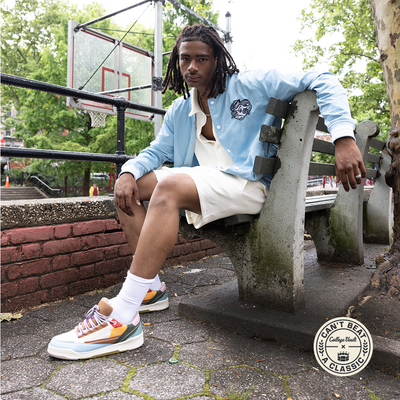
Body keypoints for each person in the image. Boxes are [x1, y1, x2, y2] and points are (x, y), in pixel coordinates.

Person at [48, 24, 366, 360]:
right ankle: (150, 289)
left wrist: (343, 138)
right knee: (130, 189)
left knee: (168, 187)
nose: (191, 67)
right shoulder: (180, 109)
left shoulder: (250, 84)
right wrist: (128, 171)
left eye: (202, 58)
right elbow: (157, 151)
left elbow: (323, 78)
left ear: (217, 60)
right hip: (207, 182)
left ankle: (123, 317)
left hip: (248, 184)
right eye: (185, 59)